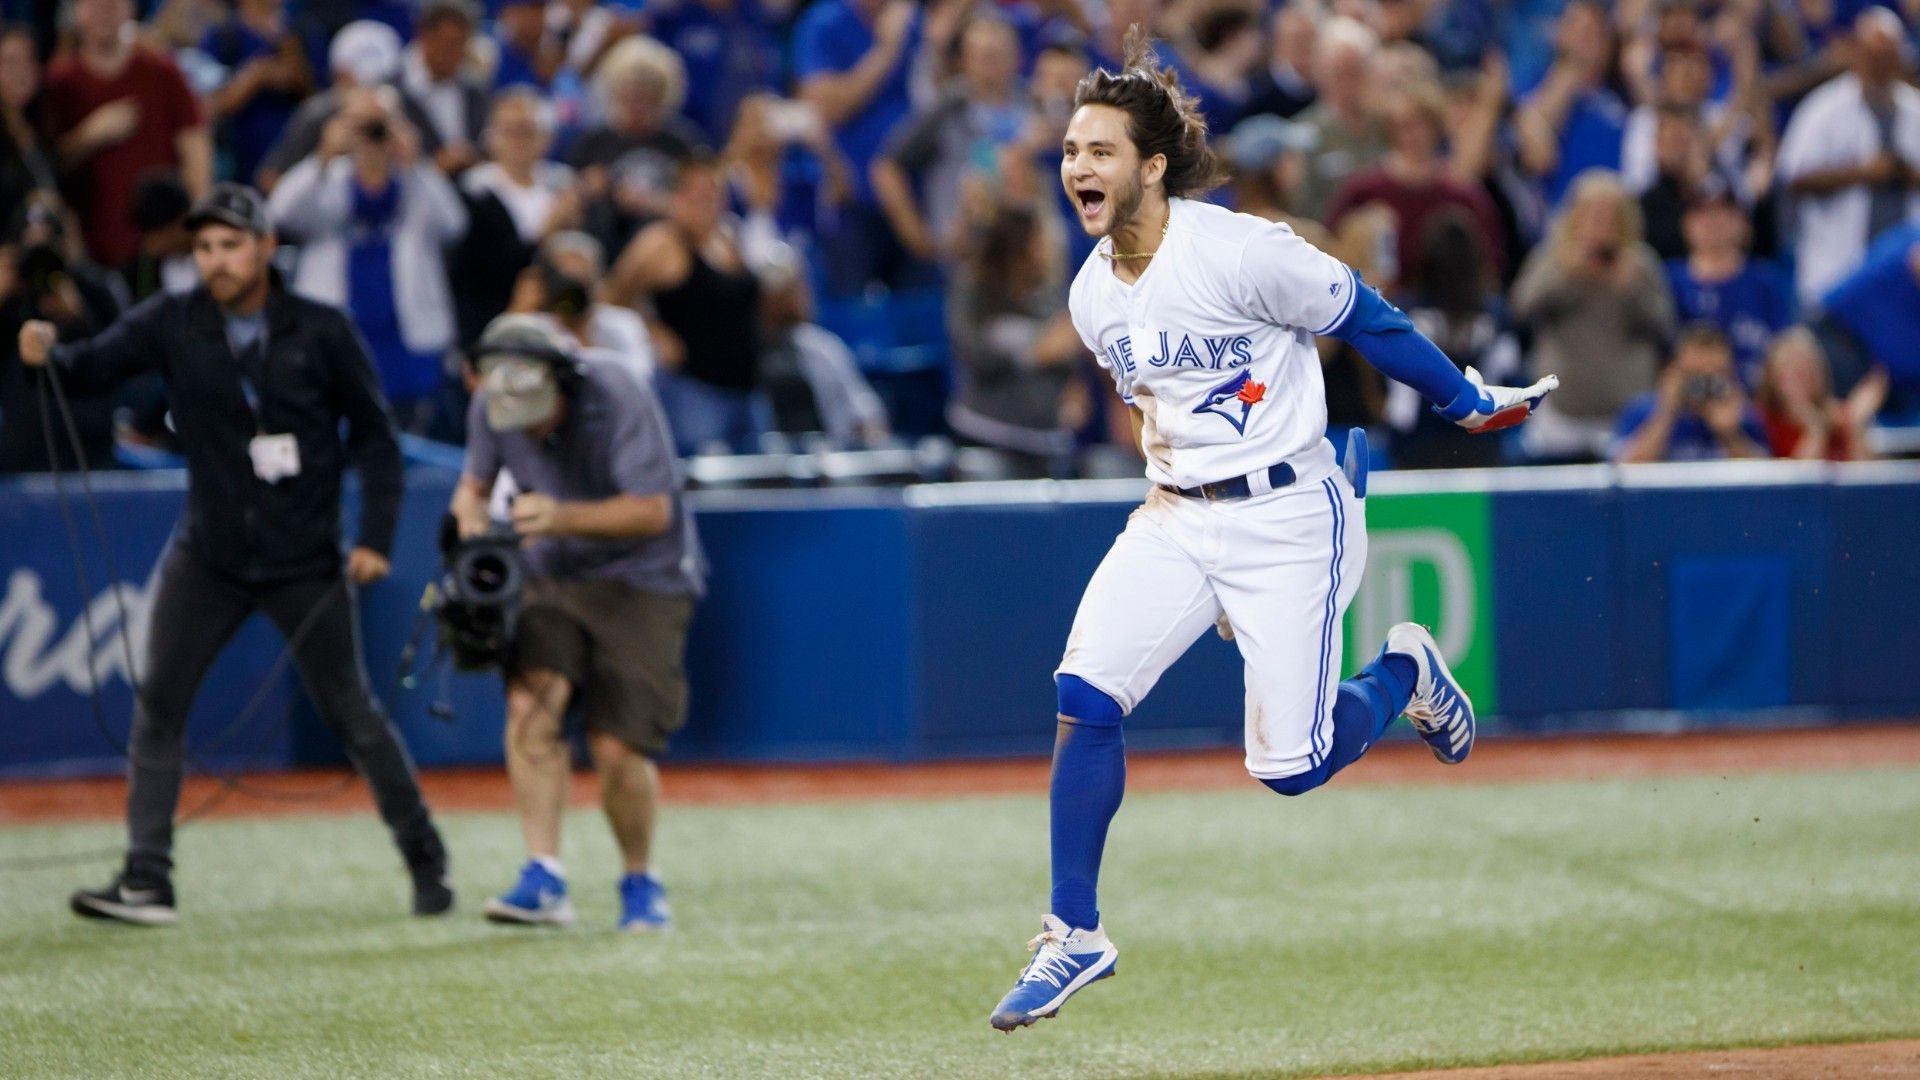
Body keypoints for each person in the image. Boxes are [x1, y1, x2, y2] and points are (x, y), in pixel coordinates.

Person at [986, 29, 1557, 1031]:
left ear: (1152, 165)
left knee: (1286, 767)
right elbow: (1152, 407)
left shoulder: (1241, 249)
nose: (1080, 165)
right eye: (1074, 149)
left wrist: (1464, 400)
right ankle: (1073, 933)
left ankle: (1404, 674)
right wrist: (1196, 569)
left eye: (1102, 149)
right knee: (1085, 689)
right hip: (1175, 515)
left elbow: (1367, 316)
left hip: (1292, 509)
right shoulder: (1089, 295)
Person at [17, 183, 451, 924]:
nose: (215, 262)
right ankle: (147, 878)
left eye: (229, 246)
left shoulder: (322, 330)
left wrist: (375, 538)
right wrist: (46, 350)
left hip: (305, 560)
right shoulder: (173, 321)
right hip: (209, 551)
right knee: (159, 704)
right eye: (205, 249)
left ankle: (424, 856)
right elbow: (93, 367)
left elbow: (378, 443)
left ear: (265, 249)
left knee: (354, 714)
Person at [450, 314, 705, 932]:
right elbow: (472, 488)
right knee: (532, 700)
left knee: (618, 747)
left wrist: (560, 517)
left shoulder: (618, 390)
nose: (528, 426)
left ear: (564, 382)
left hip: (643, 574)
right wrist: (470, 526)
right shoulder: (493, 403)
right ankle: (544, 875)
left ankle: (641, 882)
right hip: (550, 572)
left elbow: (650, 511)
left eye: (538, 409)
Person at [268, 86, 468, 431]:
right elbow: (282, 212)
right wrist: (323, 155)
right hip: (340, 333)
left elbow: (455, 223)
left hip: (406, 339)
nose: (373, 133)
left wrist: (417, 162)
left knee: (409, 440)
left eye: (380, 124)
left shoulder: (414, 180)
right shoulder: (327, 177)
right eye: (361, 123)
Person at [1510, 170, 1675, 462]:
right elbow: (1521, 309)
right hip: (1560, 415)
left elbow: (1666, 328)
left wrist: (1632, 290)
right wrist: (1566, 275)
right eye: (1592, 214)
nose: (1600, 225)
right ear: (1575, 216)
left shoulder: (1640, 264)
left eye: (1609, 216)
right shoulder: (1552, 258)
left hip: (1626, 417)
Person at [608, 152, 764, 455]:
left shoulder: (729, 238)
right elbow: (611, 299)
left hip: (748, 391)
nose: (706, 201)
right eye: (697, 193)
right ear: (676, 197)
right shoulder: (660, 243)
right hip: (695, 393)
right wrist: (651, 330)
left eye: (713, 192)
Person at [45, 0, 212, 271]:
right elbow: (45, 167)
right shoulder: (58, 82)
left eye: (113, 4)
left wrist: (192, 229)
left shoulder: (163, 71)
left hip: (162, 254)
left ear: (130, 9)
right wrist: (88, 136)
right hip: (89, 256)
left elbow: (197, 154)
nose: (104, 11)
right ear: (77, 11)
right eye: (94, 5)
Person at [1775, 8, 1920, 306]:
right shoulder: (1824, 109)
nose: (1879, 66)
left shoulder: (1914, 111)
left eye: (1886, 57)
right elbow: (1793, 178)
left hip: (1908, 274)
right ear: (1856, 53)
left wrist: (1906, 174)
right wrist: (1862, 173)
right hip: (1836, 268)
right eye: (1872, 56)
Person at [1666, 186, 1794, 386]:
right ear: (1686, 224)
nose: (1714, 221)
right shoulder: (1669, 283)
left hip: (1755, 406)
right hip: (1686, 405)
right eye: (1702, 213)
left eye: (1724, 213)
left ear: (1744, 223)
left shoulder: (1767, 282)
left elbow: (1784, 351)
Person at [1612, 324, 1769, 462]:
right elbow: (1624, 472)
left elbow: (1762, 481)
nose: (1703, 387)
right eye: (1695, 376)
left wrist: (1730, 435)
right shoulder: (1642, 411)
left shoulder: (1744, 416)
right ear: (1673, 372)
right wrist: (1665, 414)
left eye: (1713, 378)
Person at [1753, 325, 1883, 460]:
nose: (1799, 383)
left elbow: (1867, 477)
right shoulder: (1761, 421)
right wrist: (1815, 431)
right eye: (1791, 373)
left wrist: (1856, 426)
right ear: (1771, 377)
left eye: (1806, 372)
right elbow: (1797, 479)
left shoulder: (1841, 417)